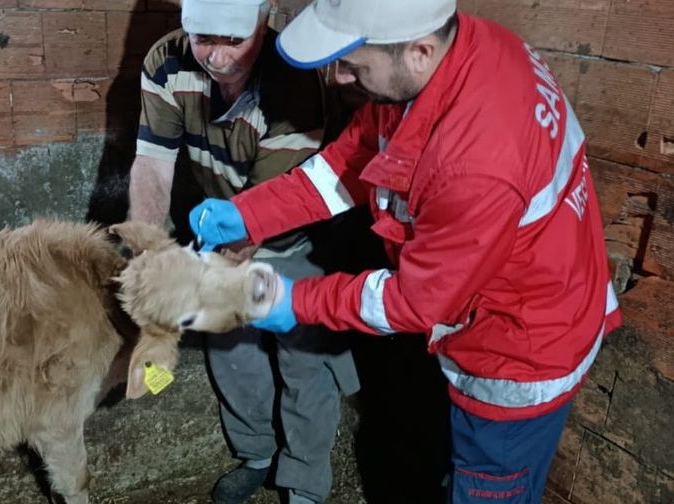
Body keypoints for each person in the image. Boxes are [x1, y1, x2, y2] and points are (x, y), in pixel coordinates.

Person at [190, 1, 623, 502]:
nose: (340, 77)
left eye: (356, 62)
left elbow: (410, 303)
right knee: (446, 457)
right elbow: (350, 161)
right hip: (494, 295)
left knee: (488, 484)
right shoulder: (461, 50)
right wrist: (250, 214)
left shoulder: (476, 162)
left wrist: (292, 301)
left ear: (418, 51)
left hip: (517, 348)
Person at [126, 1, 360, 503]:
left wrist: (187, 283)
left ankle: (305, 479)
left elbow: (266, 215)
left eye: (235, 40)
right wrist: (147, 251)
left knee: (303, 357)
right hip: (222, 225)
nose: (218, 57)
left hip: (292, 233)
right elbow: (152, 164)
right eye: (204, 38)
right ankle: (257, 452)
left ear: (263, 18)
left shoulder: (294, 79)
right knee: (232, 348)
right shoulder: (166, 63)